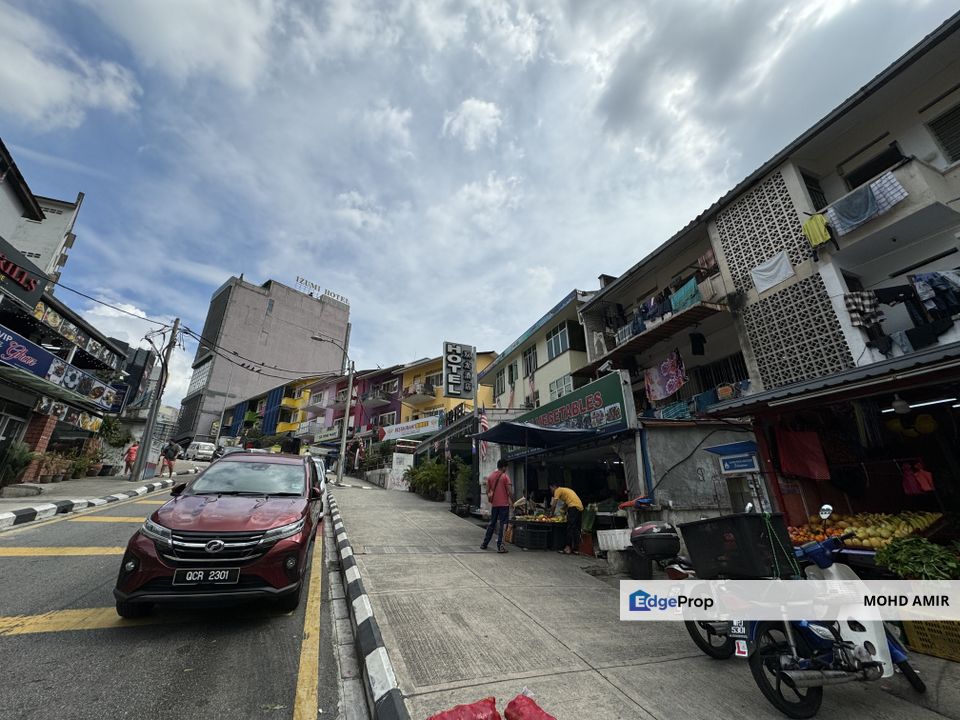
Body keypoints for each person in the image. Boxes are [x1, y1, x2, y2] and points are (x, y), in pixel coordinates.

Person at [481, 459, 512, 553]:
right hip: (504, 505)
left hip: (495, 505)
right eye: (506, 467)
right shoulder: (505, 477)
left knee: (492, 523)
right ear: (503, 467)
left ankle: (484, 543)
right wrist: (511, 500)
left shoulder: (490, 476)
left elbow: (487, 491)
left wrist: (491, 497)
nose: (506, 469)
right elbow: (510, 491)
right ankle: (500, 546)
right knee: (503, 524)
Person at [550, 482, 584, 555]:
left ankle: (567, 548)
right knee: (576, 528)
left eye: (551, 489)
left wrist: (551, 514)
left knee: (570, 527)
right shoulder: (565, 490)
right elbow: (567, 502)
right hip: (579, 507)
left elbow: (554, 504)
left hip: (573, 507)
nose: (551, 491)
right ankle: (576, 549)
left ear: (554, 487)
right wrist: (563, 510)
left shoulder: (558, 490)